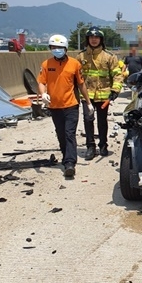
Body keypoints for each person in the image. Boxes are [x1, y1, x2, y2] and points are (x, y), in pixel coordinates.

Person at [37, 34, 93, 179]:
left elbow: (81, 84)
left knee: (69, 133)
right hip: (54, 106)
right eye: (54, 47)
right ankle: (65, 156)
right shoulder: (46, 64)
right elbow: (42, 82)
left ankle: (70, 164)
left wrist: (88, 102)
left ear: (65, 48)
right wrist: (43, 94)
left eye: (60, 48)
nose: (57, 50)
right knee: (61, 134)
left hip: (71, 105)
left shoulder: (74, 64)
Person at [77, 27, 124, 159]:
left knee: (102, 121)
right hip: (87, 95)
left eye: (96, 37)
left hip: (104, 95)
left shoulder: (109, 57)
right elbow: (75, 75)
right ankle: (90, 147)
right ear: (87, 39)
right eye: (91, 37)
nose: (94, 40)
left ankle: (103, 145)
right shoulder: (81, 56)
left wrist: (115, 90)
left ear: (101, 40)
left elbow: (117, 74)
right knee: (88, 119)